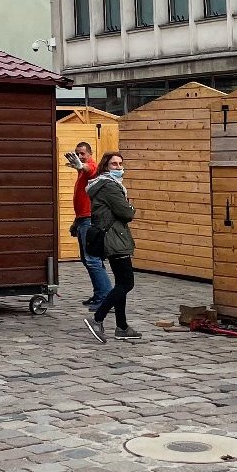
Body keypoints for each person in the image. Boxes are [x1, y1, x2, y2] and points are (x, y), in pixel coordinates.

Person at [84, 152, 140, 342]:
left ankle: (122, 326)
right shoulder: (109, 186)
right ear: (106, 167)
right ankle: (97, 319)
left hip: (112, 236)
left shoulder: (103, 184)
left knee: (120, 284)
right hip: (115, 238)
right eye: (114, 164)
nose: (118, 167)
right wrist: (131, 208)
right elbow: (126, 212)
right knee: (127, 283)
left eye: (120, 164)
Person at [66, 141, 112, 308]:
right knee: (88, 260)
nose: (79, 157)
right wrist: (76, 221)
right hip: (82, 219)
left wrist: (82, 166)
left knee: (92, 260)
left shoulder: (91, 168)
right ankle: (100, 294)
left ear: (90, 154)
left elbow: (91, 169)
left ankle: (106, 299)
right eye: (77, 154)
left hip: (89, 220)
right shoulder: (81, 172)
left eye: (82, 154)